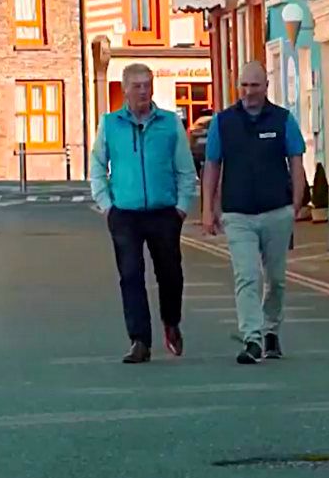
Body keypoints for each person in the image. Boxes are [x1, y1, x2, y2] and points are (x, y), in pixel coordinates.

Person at [91, 62, 197, 363]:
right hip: (125, 213)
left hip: (164, 212)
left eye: (147, 85)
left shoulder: (169, 123)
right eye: (136, 86)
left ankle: (171, 322)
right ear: (125, 89)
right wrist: (106, 205)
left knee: (171, 274)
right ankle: (139, 340)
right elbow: (97, 165)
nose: (142, 91)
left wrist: (181, 207)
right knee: (131, 275)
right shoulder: (110, 124)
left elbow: (185, 169)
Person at [202, 60, 306, 364]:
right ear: (238, 87)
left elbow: (296, 162)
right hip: (237, 215)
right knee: (246, 276)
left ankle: (271, 329)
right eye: (244, 85)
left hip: (276, 211)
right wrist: (208, 209)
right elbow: (212, 166)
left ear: (266, 87)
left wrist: (295, 204)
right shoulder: (222, 122)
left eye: (255, 85)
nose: (249, 92)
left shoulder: (283, 120)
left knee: (276, 279)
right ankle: (252, 339)